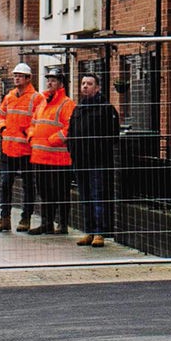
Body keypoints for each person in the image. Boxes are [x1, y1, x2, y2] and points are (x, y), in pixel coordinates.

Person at [66, 72, 121, 246]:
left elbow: (113, 135)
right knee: (85, 197)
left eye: (89, 83)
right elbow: (71, 133)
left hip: (98, 161)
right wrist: (73, 152)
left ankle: (99, 232)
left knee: (98, 195)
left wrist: (100, 151)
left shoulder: (106, 109)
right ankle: (88, 231)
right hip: (81, 161)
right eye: (83, 83)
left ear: (97, 87)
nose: (85, 86)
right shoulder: (78, 109)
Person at [27, 66, 74, 234]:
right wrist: (31, 137)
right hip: (40, 157)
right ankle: (47, 223)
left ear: (61, 84)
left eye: (53, 80)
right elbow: (33, 123)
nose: (49, 83)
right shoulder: (42, 103)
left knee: (61, 192)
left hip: (58, 158)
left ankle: (62, 225)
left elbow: (70, 127)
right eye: (48, 80)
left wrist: (53, 140)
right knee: (44, 192)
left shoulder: (67, 104)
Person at [0, 63, 37, 232]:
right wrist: (3, 128)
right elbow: (0, 115)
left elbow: (37, 121)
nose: (16, 78)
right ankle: (5, 218)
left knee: (28, 185)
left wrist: (29, 134)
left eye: (20, 75)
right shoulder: (9, 96)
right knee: (5, 184)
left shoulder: (35, 98)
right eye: (15, 75)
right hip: (9, 148)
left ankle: (26, 218)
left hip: (26, 149)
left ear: (28, 78)